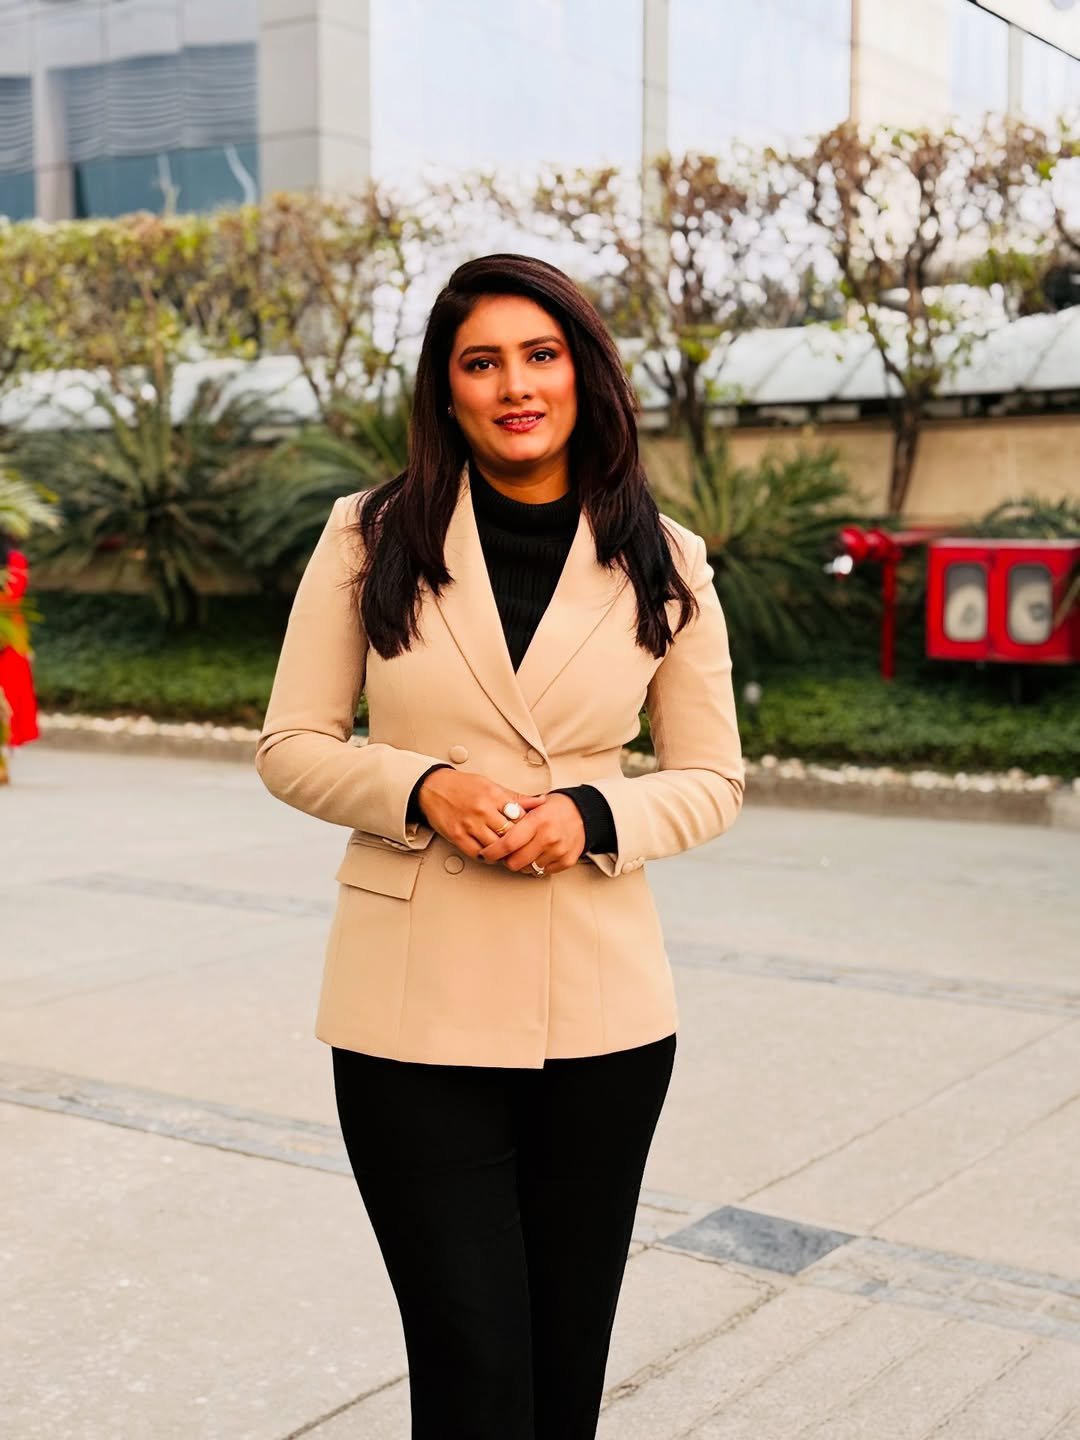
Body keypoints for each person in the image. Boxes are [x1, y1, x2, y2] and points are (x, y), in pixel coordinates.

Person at [255, 253, 744, 1438]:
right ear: (448, 388)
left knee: (565, 1369)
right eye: (482, 362)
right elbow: (291, 743)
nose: (514, 385)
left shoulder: (664, 557)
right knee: (473, 1367)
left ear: (582, 374)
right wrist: (419, 786)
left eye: (540, 355)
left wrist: (596, 816)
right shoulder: (368, 535)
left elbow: (714, 777)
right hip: (409, 1015)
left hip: (604, 1016)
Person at [0, 532, 40, 754]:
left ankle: (5, 747)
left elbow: (13, 594)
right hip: (10, 626)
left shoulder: (15, 560)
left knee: (11, 688)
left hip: (8, 629)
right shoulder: (17, 559)